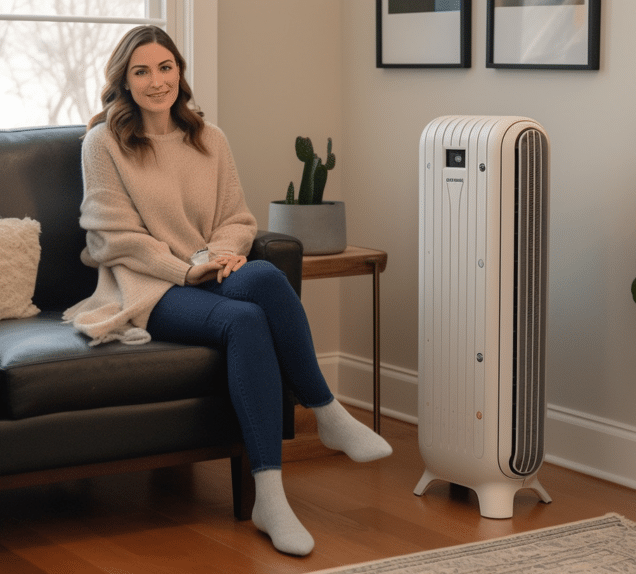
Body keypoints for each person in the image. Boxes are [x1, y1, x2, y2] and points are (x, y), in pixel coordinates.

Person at [63, 25, 391, 556]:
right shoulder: (104, 143)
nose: (156, 81)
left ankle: (320, 420)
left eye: (165, 67)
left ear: (180, 72)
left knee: (263, 275)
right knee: (246, 321)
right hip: (148, 287)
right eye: (141, 71)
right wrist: (188, 269)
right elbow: (113, 238)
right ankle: (281, 479)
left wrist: (218, 255)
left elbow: (237, 218)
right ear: (124, 80)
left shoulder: (210, 138)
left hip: (207, 268)